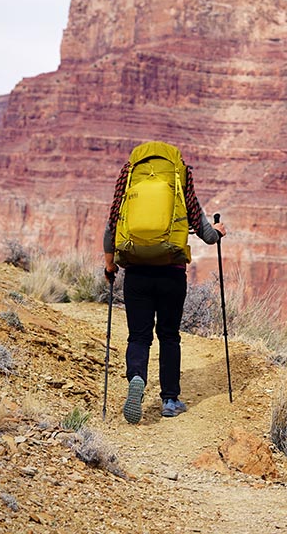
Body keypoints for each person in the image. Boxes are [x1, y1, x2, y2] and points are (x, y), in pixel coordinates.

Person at [102, 142, 227, 423]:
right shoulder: (180, 178)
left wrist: (110, 265)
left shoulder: (129, 177)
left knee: (138, 336)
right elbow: (205, 232)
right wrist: (218, 232)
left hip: (136, 273)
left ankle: (136, 378)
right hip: (171, 273)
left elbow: (111, 225)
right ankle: (170, 400)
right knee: (169, 336)